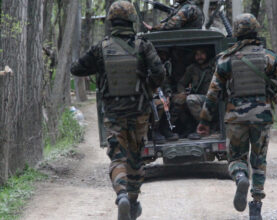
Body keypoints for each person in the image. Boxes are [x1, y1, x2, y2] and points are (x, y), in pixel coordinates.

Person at [70, 1, 165, 219]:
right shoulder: (143, 45)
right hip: (140, 112)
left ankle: (121, 195)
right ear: (132, 21)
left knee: (118, 158)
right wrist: (148, 88)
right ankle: (132, 201)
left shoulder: (100, 48)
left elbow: (76, 68)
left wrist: (99, 68)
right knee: (136, 157)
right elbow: (160, 72)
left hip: (113, 114)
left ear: (111, 22)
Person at [197, 13, 277, 220]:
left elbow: (213, 93)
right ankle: (256, 205)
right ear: (256, 31)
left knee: (235, 159)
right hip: (262, 118)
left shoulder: (226, 59)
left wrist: (205, 121)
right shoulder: (269, 57)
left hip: (235, 119)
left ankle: (241, 176)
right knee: (259, 161)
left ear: (236, 33)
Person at [176, 47, 214, 139]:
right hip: (198, 98)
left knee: (191, 100)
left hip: (212, 99)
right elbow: (181, 83)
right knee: (179, 101)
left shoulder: (213, 67)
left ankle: (205, 128)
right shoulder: (192, 68)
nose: (199, 57)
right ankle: (190, 128)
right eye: (197, 54)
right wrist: (182, 93)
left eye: (202, 54)